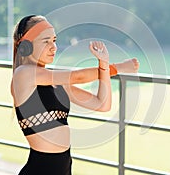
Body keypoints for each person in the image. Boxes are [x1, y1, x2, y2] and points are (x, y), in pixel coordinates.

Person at [11, 15, 139, 175]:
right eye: (46, 41)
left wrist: (104, 64)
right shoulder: (23, 74)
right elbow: (78, 76)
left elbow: (102, 104)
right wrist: (118, 67)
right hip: (40, 169)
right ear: (26, 47)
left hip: (64, 166)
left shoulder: (55, 81)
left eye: (54, 40)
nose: (53, 47)